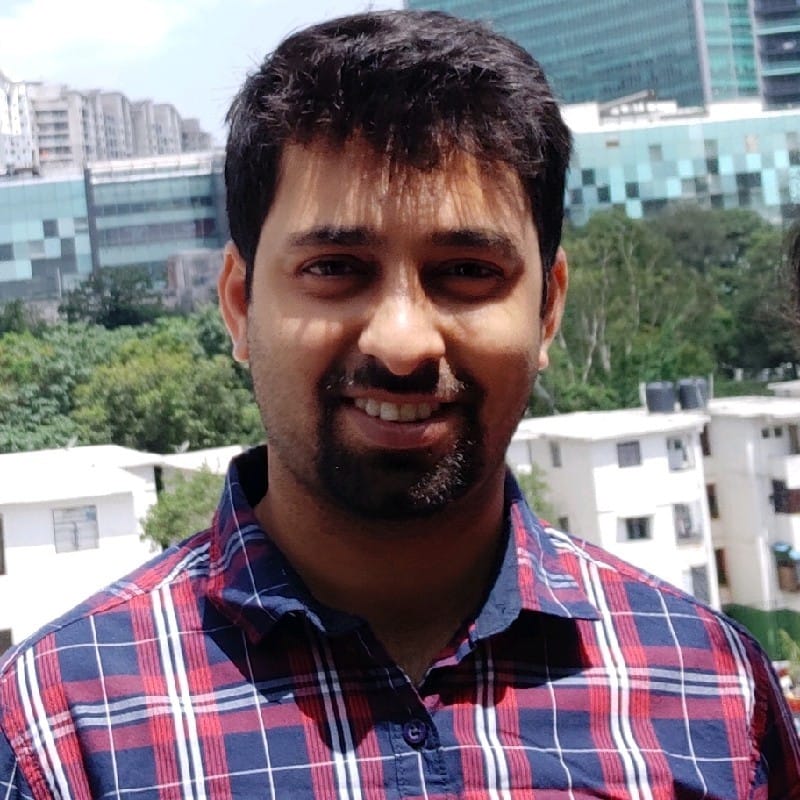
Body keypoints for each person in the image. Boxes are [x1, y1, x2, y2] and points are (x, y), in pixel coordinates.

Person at [1, 9, 799, 798]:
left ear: (549, 310)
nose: (403, 342)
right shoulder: (60, 732)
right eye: (335, 267)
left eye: (467, 272)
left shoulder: (715, 692)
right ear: (240, 304)